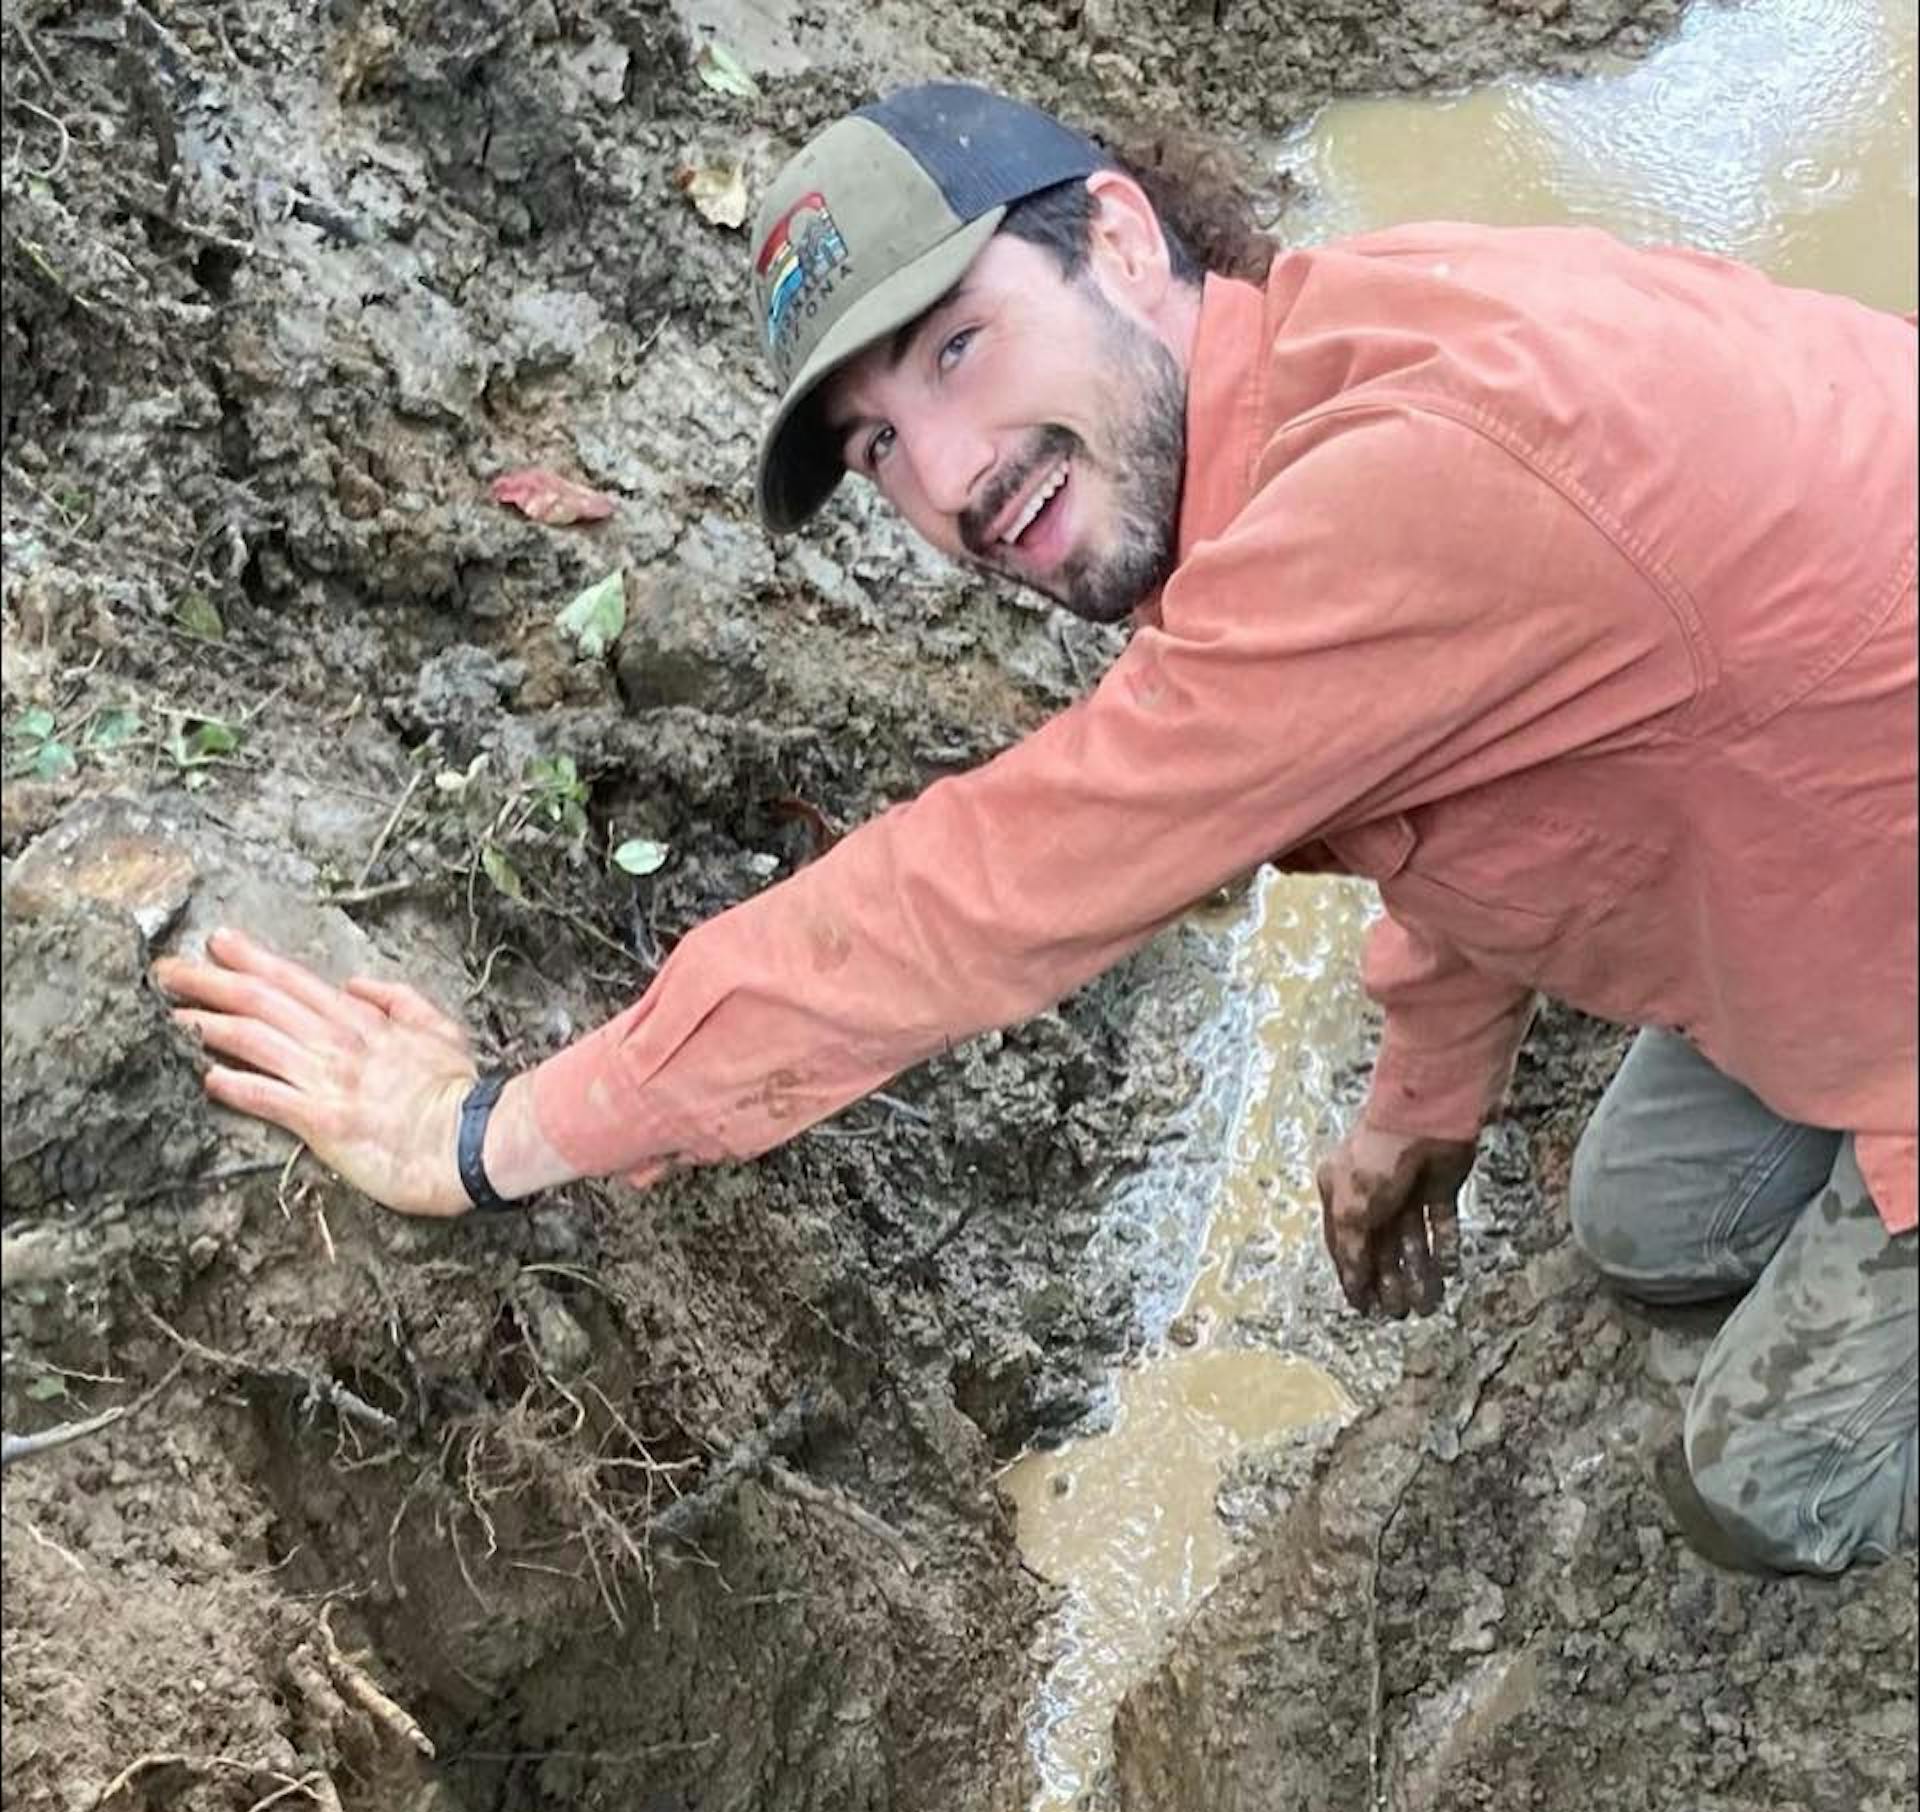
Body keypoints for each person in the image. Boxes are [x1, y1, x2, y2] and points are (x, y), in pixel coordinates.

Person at [154, 82, 1917, 1575]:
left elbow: (974, 899)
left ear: (1126, 244)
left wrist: (482, 1133)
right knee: (1647, 1235)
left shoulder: (1417, 481)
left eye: (959, 346)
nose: (948, 475)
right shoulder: (1335, 346)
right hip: (1850, 871)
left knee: (1756, 1503)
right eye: (874, 448)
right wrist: (1423, 1099)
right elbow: (1479, 779)